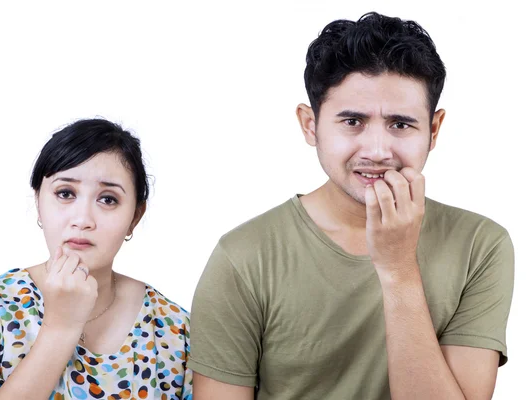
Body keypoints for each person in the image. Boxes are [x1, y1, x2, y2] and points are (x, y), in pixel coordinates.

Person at [189, 12, 514, 400]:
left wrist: (397, 269)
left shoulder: (481, 245)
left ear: (434, 129)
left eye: (400, 124)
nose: (377, 151)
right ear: (310, 125)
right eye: (353, 122)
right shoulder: (243, 256)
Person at [0, 118, 193, 399]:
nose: (82, 219)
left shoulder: (173, 329)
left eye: (108, 199)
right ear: (38, 202)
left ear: (135, 217)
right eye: (65, 193)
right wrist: (61, 327)